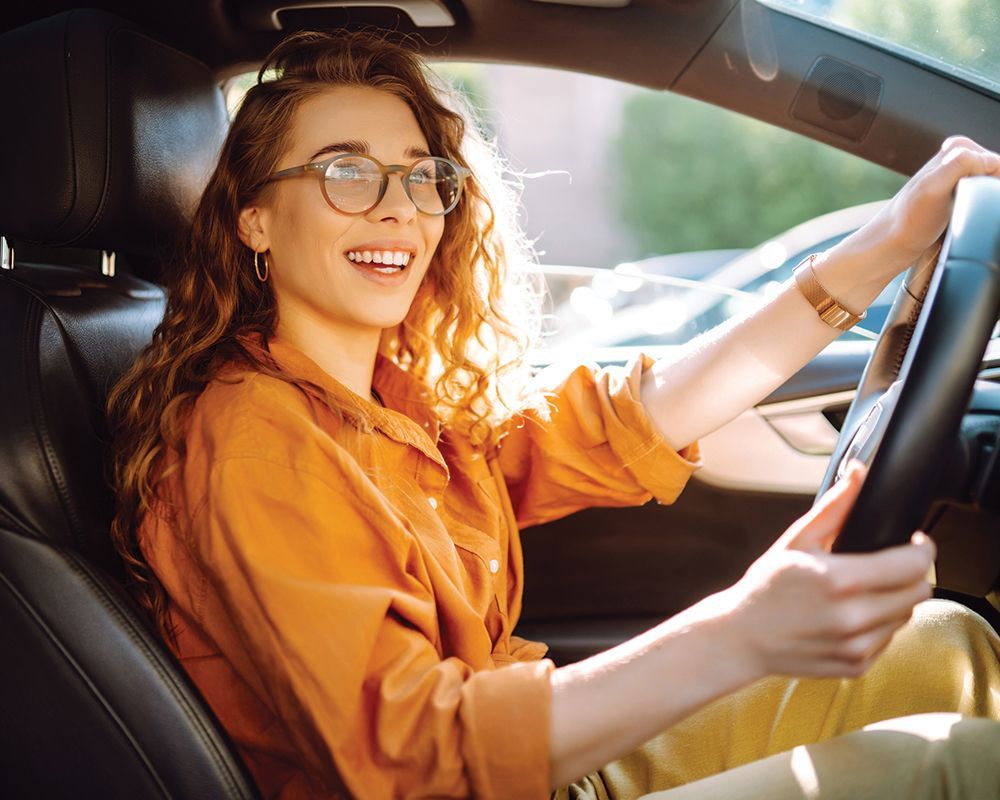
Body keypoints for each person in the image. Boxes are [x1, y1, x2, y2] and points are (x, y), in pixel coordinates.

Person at [105, 27, 1000, 800]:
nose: (399, 211)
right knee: (953, 769)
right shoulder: (257, 441)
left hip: (541, 765)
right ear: (254, 218)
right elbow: (416, 766)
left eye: (423, 179)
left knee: (947, 648)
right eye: (348, 172)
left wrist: (889, 236)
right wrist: (742, 630)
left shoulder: (400, 399)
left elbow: (634, 417)